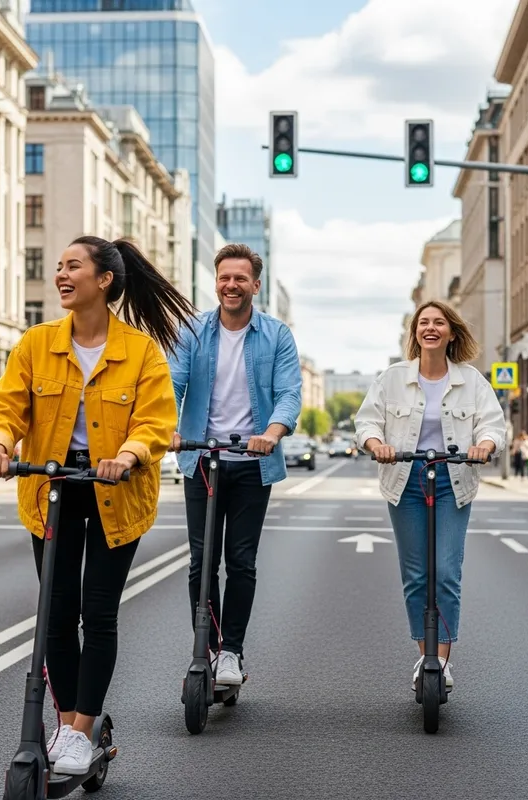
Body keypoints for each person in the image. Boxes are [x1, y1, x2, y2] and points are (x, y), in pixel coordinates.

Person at [0, 236, 194, 775]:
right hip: (51, 487)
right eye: (58, 267)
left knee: (97, 614)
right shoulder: (35, 343)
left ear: (104, 280)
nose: (61, 275)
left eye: (73, 266)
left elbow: (156, 421)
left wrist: (128, 454)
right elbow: (7, 405)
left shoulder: (140, 350)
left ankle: (80, 729)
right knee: (55, 615)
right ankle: (67, 721)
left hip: (114, 491)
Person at [168, 243, 302, 685]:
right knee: (201, 561)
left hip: (251, 461)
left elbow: (288, 393)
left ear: (255, 286)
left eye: (240, 278)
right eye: (224, 277)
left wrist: (272, 434)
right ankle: (206, 647)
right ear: (216, 281)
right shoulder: (193, 330)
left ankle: (231, 652)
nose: (231, 285)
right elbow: (172, 381)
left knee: (241, 560)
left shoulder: (276, 334)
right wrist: (166, 426)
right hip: (201, 458)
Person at [354, 300, 505, 691]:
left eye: (439, 322)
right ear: (415, 332)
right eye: (424, 322)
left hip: (453, 479)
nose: (431, 328)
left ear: (452, 332)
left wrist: (484, 446)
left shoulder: (471, 380)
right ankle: (427, 657)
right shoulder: (392, 378)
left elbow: (493, 425)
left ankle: (442, 661)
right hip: (405, 478)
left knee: (447, 573)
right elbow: (366, 420)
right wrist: (377, 443)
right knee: (417, 575)